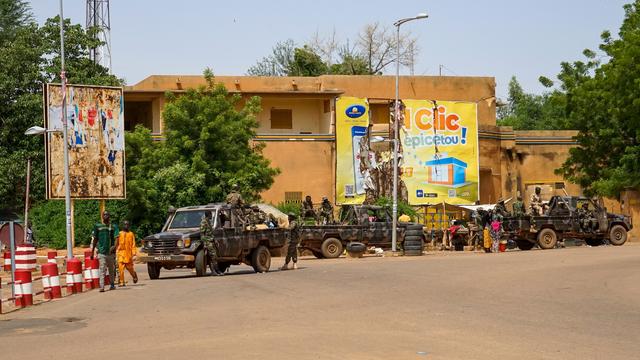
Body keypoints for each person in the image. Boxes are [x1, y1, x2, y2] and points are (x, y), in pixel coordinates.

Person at [91, 211, 119, 292]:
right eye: (104, 215)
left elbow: (117, 238)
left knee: (111, 269)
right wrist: (92, 251)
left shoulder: (113, 226)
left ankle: (112, 284)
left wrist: (114, 247)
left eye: (107, 214)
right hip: (101, 252)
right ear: (102, 216)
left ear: (109, 216)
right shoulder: (97, 226)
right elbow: (95, 239)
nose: (106, 216)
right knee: (102, 269)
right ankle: (102, 286)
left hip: (110, 253)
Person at [115, 220, 138, 286]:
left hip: (128, 255)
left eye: (127, 225)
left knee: (130, 268)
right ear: (122, 225)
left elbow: (133, 245)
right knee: (120, 268)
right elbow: (116, 243)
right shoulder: (119, 234)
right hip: (121, 253)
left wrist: (134, 254)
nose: (126, 226)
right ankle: (122, 282)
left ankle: (134, 275)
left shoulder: (131, 234)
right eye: (125, 224)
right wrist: (116, 250)